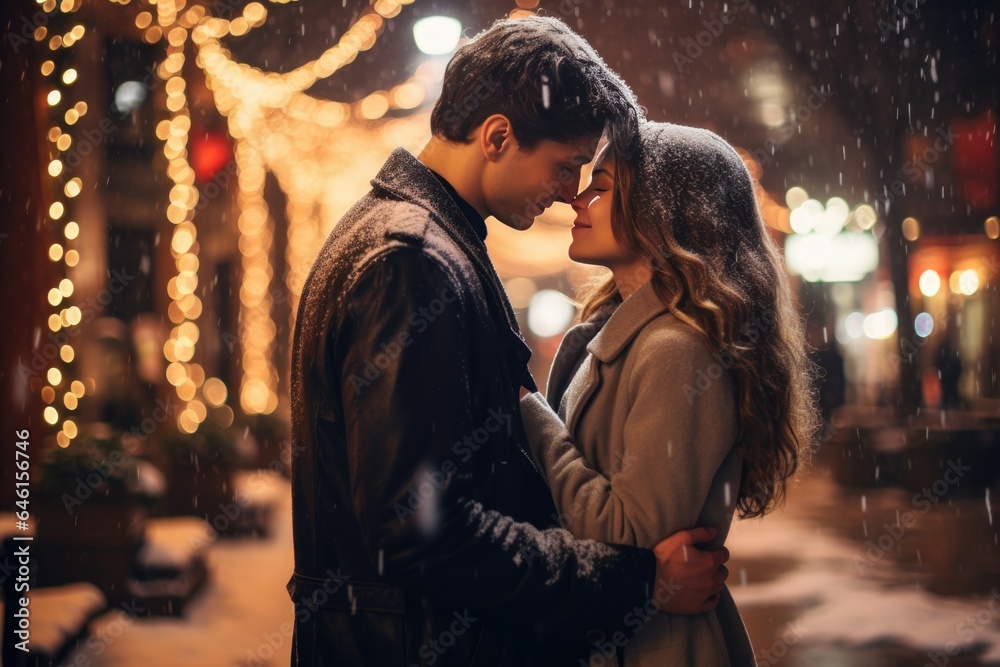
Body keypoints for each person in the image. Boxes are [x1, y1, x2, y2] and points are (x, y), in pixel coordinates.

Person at [288, 17, 731, 667]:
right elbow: (424, 533)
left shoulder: (408, 240)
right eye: (565, 167)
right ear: (497, 136)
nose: (567, 195)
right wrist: (637, 580)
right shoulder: (412, 261)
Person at [519, 122, 821, 666]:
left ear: (664, 210)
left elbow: (629, 536)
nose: (577, 197)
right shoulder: (621, 334)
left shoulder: (677, 351)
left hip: (656, 649)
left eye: (602, 185)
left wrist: (530, 416)